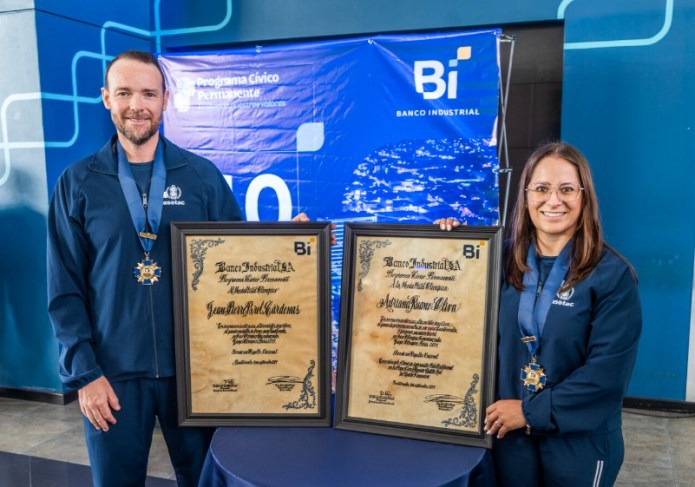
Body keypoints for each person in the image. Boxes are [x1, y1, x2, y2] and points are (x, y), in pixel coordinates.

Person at [47, 50, 315, 486]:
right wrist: (85, 375)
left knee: (207, 480)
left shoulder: (201, 177)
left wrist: (291, 243)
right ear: (106, 98)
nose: (138, 105)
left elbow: (240, 262)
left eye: (148, 93)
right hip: (113, 376)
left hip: (199, 374)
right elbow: (64, 288)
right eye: (125, 93)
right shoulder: (77, 184)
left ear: (165, 99)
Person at [437, 142, 642, 486]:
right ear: (526, 195)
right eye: (542, 189)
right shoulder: (495, 262)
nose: (553, 200)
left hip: (577, 445)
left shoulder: (612, 275)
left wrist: (528, 411)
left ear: (584, 197)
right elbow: (452, 323)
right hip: (508, 441)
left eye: (566, 189)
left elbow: (607, 376)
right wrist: (450, 249)